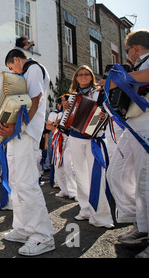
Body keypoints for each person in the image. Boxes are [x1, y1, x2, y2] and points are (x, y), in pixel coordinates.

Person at [0, 49, 54, 256]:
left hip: (26, 134)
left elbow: (35, 99)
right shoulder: (26, 71)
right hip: (18, 135)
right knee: (16, 183)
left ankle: (43, 235)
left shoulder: (33, 68)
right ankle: (23, 228)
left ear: (17, 60)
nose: (12, 71)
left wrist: (18, 127)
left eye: (11, 67)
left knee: (27, 184)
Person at [102, 30, 149, 257]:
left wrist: (116, 80)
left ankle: (145, 230)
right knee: (116, 173)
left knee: (145, 183)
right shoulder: (137, 66)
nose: (128, 55)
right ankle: (140, 223)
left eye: (128, 50)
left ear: (135, 48)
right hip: (133, 126)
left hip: (147, 128)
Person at [66, 65, 113, 229]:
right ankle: (85, 209)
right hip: (75, 137)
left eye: (87, 74)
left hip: (94, 137)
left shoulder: (98, 92)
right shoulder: (73, 96)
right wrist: (67, 111)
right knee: (80, 175)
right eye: (80, 75)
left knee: (96, 176)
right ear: (76, 78)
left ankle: (101, 216)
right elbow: (69, 119)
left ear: (91, 77)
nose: (83, 77)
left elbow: (107, 111)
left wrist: (103, 114)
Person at [48, 95, 77, 200]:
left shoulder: (74, 113)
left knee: (69, 166)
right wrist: (55, 125)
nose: (65, 102)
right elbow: (51, 127)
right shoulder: (59, 114)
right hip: (59, 140)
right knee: (58, 166)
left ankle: (74, 191)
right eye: (63, 101)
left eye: (66, 100)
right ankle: (64, 189)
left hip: (69, 141)